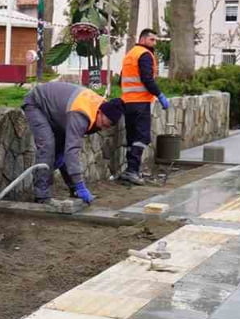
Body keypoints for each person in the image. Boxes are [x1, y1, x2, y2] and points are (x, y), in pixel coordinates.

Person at [21, 82, 125, 204]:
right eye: (104, 124)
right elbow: (72, 150)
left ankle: (75, 190)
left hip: (58, 111)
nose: (103, 128)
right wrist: (80, 184)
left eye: (107, 126)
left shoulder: (100, 108)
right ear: (100, 113)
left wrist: (61, 153)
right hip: (37, 103)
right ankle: (42, 196)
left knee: (63, 152)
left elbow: (68, 148)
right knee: (48, 147)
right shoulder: (81, 114)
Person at [119, 29, 170, 185]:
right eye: (152, 40)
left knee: (132, 137)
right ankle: (132, 171)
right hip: (141, 102)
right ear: (142, 39)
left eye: (155, 40)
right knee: (141, 137)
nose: (154, 43)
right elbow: (147, 79)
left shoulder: (130, 54)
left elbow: (121, 79)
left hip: (128, 102)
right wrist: (159, 95)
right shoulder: (145, 55)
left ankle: (130, 170)